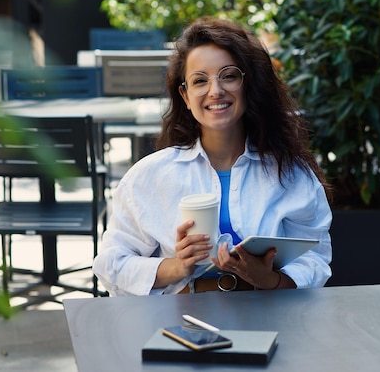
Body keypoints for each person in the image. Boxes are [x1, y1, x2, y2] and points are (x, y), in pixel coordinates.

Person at [92, 17, 332, 296]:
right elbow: (111, 264)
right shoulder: (150, 176)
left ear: (248, 83)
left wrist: (269, 279)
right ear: (185, 94)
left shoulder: (290, 174)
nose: (215, 91)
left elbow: (316, 259)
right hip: (181, 323)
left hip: (269, 316)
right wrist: (178, 266)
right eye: (199, 80)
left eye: (229, 76)